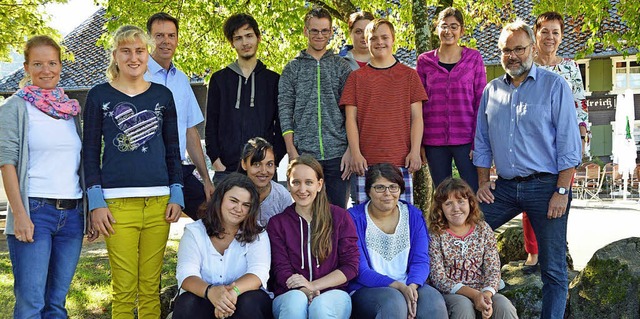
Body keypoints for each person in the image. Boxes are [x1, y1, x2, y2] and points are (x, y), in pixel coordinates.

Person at [473, 20, 582, 319]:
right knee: (466, 229)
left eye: (519, 49)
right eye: (506, 50)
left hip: (546, 188)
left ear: (532, 49)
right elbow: (481, 142)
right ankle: (470, 296)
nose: (513, 56)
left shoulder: (554, 85)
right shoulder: (491, 91)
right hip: (504, 189)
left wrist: (562, 190)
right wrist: (483, 181)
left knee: (554, 268)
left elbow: (570, 146)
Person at [83, 25, 184, 319]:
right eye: (126, 51)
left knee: (151, 288)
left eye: (139, 50)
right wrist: (96, 201)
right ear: (115, 55)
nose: (133, 57)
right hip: (116, 206)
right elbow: (89, 152)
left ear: (147, 53)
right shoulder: (98, 95)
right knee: (125, 290)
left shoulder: (163, 96)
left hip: (159, 204)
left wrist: (176, 192)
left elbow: (172, 149)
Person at [0, 35, 86, 318]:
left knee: (56, 304)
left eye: (52, 63)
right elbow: (7, 163)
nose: (46, 70)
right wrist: (20, 215)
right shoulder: (15, 107)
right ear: (26, 67)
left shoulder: (69, 110)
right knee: (31, 304)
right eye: (37, 64)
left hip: (72, 215)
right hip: (35, 212)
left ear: (61, 65)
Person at [518, 11, 591, 272]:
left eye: (555, 32)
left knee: (560, 198)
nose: (550, 37)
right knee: (530, 199)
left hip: (563, 145)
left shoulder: (570, 67)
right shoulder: (527, 67)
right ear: (535, 34)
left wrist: (581, 139)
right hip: (533, 145)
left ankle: (557, 250)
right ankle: (533, 253)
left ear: (561, 37)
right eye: (544, 31)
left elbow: (580, 105)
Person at [341, 18, 426, 205]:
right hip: (366, 163)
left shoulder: (409, 76)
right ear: (367, 41)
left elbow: (417, 118)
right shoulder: (356, 78)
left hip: (401, 161)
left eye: (384, 37)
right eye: (373, 38)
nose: (379, 42)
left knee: (402, 217)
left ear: (393, 39)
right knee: (366, 220)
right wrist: (355, 153)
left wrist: (414, 151)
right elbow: (350, 120)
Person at [348, 163, 448, 319]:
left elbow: (421, 260)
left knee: (433, 301)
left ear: (401, 189)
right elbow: (359, 270)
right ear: (369, 191)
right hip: (367, 289)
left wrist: (412, 286)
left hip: (409, 283)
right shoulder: (353, 218)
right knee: (393, 302)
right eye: (379, 188)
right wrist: (398, 287)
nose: (387, 193)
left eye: (393, 187)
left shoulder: (413, 215)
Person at [267, 155, 359, 318]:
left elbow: (350, 266)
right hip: (289, 294)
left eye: (308, 182)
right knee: (296, 302)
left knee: (321, 307)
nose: (302, 190)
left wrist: (312, 285)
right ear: (288, 184)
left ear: (319, 184)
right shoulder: (278, 223)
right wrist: (303, 291)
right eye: (296, 182)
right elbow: (281, 270)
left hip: (334, 294)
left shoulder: (340, 217)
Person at [278, 6, 353, 208]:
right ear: (305, 31)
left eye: (324, 31)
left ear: (331, 32)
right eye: (314, 30)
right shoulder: (293, 68)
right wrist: (291, 150)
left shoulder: (341, 66)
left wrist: (350, 149)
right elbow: (285, 109)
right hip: (305, 154)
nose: (320, 35)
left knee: (337, 212)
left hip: (338, 154)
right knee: (307, 211)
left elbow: (351, 111)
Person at [173, 173, 272, 319]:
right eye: (233, 201)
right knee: (188, 302)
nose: (238, 209)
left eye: (246, 205)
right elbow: (186, 274)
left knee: (250, 301)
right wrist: (211, 292)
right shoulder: (194, 232)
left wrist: (231, 293)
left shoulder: (258, 234)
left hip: (241, 298)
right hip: (205, 297)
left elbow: (259, 273)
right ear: (220, 199)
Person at [145, 12, 213, 219]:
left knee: (213, 218)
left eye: (171, 35)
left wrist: (206, 181)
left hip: (178, 170)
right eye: (159, 35)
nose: (166, 41)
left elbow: (190, 130)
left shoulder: (182, 80)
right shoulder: (138, 76)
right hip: (147, 173)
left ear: (177, 39)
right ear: (148, 39)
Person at [206, 13, 284, 186]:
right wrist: (216, 160)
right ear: (232, 43)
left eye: (249, 36)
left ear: (258, 38)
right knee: (227, 214)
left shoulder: (273, 80)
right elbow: (211, 123)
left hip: (263, 170)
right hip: (225, 169)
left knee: (267, 214)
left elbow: (281, 125)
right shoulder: (219, 79)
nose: (245, 43)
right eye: (238, 38)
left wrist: (273, 161)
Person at [416, 7, 486, 192]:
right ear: (436, 28)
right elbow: (418, 104)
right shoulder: (424, 62)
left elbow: (481, 101)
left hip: (466, 140)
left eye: (454, 26)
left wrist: (477, 142)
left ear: (462, 30)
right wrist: (420, 143)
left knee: (472, 191)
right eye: (444, 26)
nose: (448, 31)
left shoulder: (473, 58)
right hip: (434, 141)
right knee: (441, 194)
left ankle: (475, 223)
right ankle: (442, 223)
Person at [427, 178, 518, 319]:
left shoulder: (483, 229)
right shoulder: (436, 234)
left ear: (470, 203)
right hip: (452, 293)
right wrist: (475, 295)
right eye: (448, 203)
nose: (456, 208)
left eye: (461, 201)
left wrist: (486, 295)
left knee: (504, 306)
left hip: (483, 290)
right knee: (463, 307)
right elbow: (438, 278)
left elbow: (493, 269)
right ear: (440, 208)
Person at [237, 137, 292, 226]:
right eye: (257, 164)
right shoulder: (234, 193)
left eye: (269, 164)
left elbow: (289, 229)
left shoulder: (281, 195)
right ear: (244, 164)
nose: (263, 171)